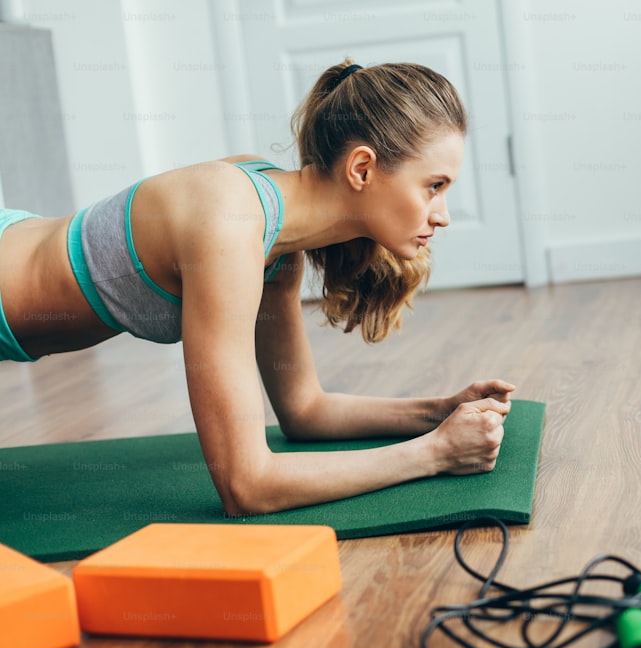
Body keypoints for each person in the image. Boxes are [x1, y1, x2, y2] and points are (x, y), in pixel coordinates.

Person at [0, 60, 515, 516]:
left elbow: (304, 410)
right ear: (362, 168)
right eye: (434, 186)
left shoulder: (275, 248)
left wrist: (436, 413)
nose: (443, 215)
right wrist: (434, 453)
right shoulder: (230, 222)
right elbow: (246, 485)